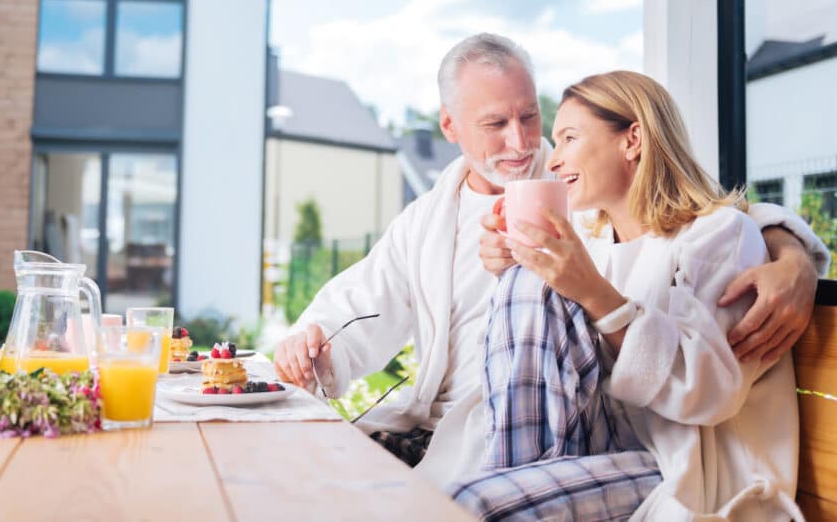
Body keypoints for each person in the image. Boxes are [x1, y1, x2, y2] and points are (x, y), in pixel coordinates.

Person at [273, 33, 828, 484]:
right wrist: (315, 338)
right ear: (450, 127)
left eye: (530, 118)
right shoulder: (428, 219)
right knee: (310, 482)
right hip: (440, 428)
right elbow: (364, 301)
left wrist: (793, 255)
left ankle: (509, 483)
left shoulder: (574, 181)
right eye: (495, 124)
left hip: (552, 433)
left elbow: (694, 211)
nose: (522, 143)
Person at [452, 70, 805, 520]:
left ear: (632, 139)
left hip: (683, 470)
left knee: (475, 503)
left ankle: (511, 487)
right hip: (602, 444)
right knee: (526, 282)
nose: (553, 161)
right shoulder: (595, 248)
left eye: (569, 138)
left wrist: (597, 296)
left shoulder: (719, 235)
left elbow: (711, 393)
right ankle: (515, 479)